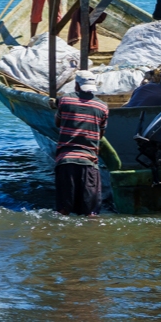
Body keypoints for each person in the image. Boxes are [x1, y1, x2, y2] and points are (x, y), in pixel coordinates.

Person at [54, 70, 109, 215]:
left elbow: (57, 123)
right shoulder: (102, 107)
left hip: (65, 161)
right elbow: (100, 133)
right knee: (91, 213)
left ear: (77, 85)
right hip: (89, 162)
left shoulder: (65, 100)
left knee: (63, 210)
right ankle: (90, 237)